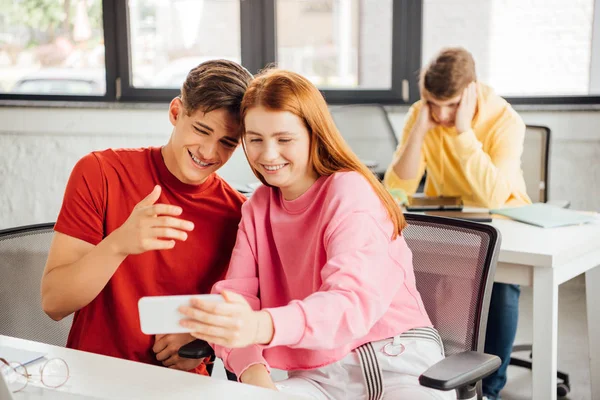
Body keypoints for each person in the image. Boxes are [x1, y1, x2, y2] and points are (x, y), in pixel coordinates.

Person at [178, 68, 456, 400]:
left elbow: (349, 305)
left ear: (314, 134)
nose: (267, 155)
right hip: (319, 377)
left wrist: (259, 325)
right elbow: (234, 301)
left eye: (284, 139)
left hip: (395, 363)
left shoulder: (348, 189)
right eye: (255, 139)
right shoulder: (258, 208)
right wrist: (256, 378)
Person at [41, 60, 253, 376]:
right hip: (94, 377)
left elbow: (245, 316)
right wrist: (118, 244)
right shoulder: (100, 172)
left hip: (180, 386)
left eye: (227, 143)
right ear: (176, 112)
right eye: (201, 130)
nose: (209, 152)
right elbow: (54, 303)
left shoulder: (238, 216)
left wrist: (204, 341)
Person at [383, 47, 531, 399]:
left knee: (501, 286)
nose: (442, 114)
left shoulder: (506, 121)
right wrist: (420, 129)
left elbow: (493, 196)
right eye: (433, 102)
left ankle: (489, 390)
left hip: (503, 223)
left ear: (471, 91)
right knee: (414, 281)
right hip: (448, 225)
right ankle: (430, 380)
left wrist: (464, 134)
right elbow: (396, 186)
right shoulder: (424, 114)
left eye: (450, 104)